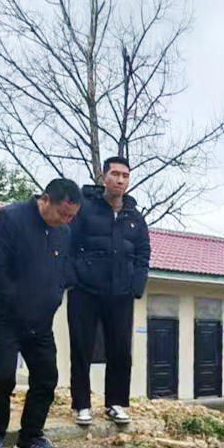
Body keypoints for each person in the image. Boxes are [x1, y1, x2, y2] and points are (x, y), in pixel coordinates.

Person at [0, 178, 82, 448]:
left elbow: (65, 267)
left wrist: (56, 292)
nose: (66, 221)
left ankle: (31, 435)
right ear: (45, 200)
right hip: (4, 316)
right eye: (62, 214)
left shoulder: (63, 232)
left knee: (46, 377)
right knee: (2, 375)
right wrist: (18, 299)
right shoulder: (8, 219)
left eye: (71, 216)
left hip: (39, 320)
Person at [68, 156, 151, 425]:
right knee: (81, 348)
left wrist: (136, 286)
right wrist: (75, 277)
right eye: (115, 174)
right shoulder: (85, 210)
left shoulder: (135, 218)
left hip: (120, 294)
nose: (120, 180)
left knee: (120, 350)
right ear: (104, 177)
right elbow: (68, 245)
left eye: (125, 176)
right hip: (85, 291)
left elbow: (143, 254)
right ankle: (82, 405)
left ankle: (116, 403)